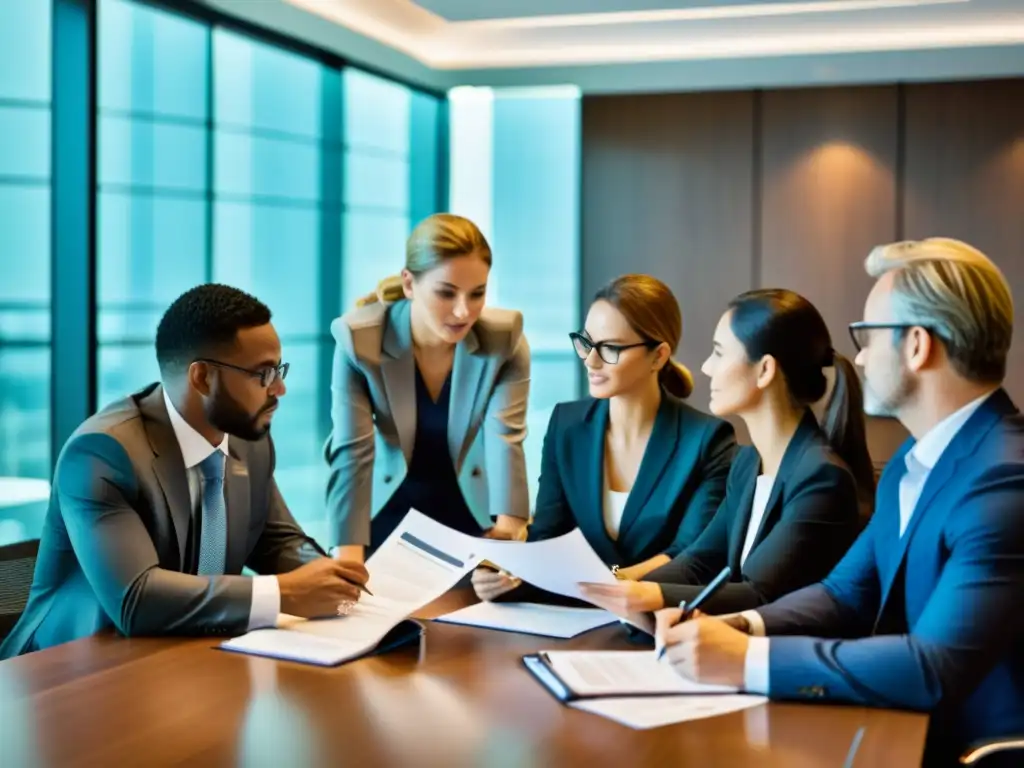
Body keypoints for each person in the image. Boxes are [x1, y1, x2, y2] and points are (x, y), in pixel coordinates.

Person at [655, 238, 1024, 767]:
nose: (861, 356)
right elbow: (844, 593)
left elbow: (934, 666)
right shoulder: (910, 462)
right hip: (905, 726)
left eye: (869, 335)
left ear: (918, 345)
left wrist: (750, 660)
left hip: (976, 751)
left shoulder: (1004, 478)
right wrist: (742, 627)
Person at [0, 285, 367, 659]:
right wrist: (285, 593)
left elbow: (276, 541)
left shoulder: (247, 440)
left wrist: (332, 576)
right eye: (264, 374)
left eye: (279, 370)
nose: (280, 389)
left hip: (185, 652)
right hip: (72, 669)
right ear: (202, 378)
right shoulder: (101, 453)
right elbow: (136, 599)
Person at [578, 289, 865, 616]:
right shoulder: (747, 463)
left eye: (718, 353)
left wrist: (649, 596)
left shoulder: (821, 477)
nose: (706, 367)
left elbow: (761, 596)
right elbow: (697, 563)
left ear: (765, 370)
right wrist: (614, 583)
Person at [473, 274, 736, 603]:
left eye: (610, 347)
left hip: (656, 617)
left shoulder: (708, 441)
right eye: (586, 342)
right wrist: (508, 574)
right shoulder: (565, 425)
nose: (590, 360)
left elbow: (689, 555)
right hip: (570, 616)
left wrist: (606, 580)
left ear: (659, 355)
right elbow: (547, 537)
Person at [325, 213, 530, 561]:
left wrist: (509, 533)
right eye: (446, 293)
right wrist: (347, 557)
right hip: (385, 518)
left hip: (472, 518)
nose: (463, 312)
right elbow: (352, 454)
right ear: (409, 283)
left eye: (477, 293)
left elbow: (505, 438)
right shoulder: (359, 340)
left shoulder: (504, 341)